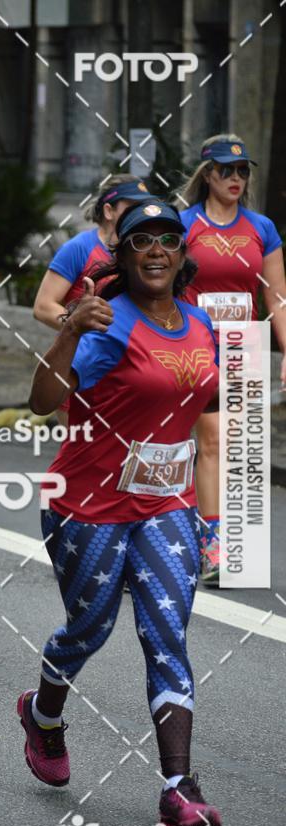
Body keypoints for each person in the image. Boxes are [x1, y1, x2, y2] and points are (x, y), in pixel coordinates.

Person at [18, 201, 222, 826]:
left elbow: (204, 400)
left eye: (168, 239)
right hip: (89, 507)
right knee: (90, 629)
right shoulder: (107, 324)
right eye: (142, 241)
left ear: (182, 254)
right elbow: (41, 400)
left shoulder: (199, 322)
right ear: (125, 255)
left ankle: (178, 787)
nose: (156, 249)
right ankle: (42, 713)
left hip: (166, 507)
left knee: (167, 635)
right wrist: (70, 329)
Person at [179, 135, 286, 585]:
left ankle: (231, 546)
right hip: (196, 344)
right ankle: (212, 543)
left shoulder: (261, 228)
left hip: (245, 343)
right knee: (213, 443)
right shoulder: (183, 225)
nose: (236, 178)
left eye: (243, 171)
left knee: (240, 451)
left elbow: (277, 297)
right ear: (208, 174)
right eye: (226, 170)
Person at [33, 176, 158, 425]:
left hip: (131, 371)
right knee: (83, 454)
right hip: (83, 368)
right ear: (109, 210)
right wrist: (81, 326)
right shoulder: (79, 248)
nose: (140, 213)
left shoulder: (143, 254)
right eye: (131, 206)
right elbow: (43, 307)